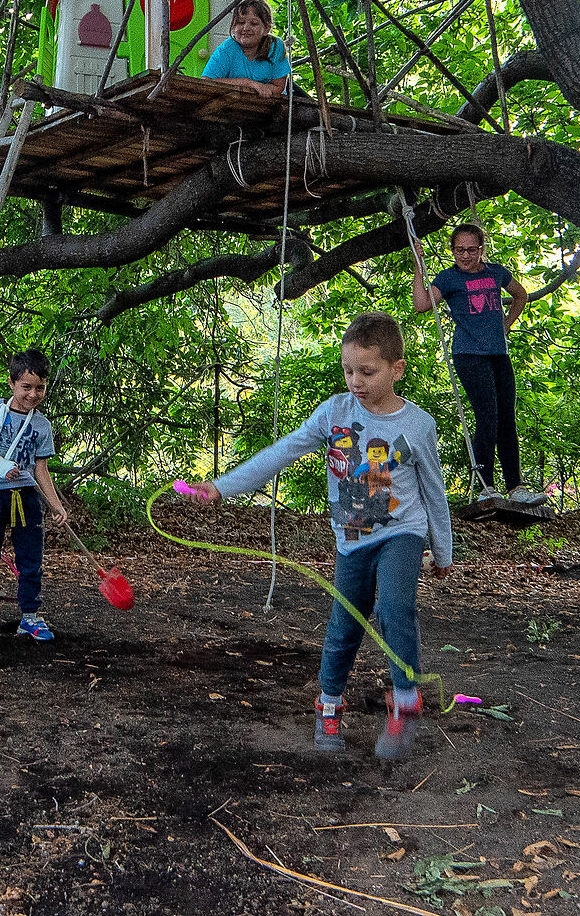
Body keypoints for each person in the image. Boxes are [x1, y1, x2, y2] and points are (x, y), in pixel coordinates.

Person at [178, 311, 452, 759]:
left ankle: (405, 702)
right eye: (348, 370)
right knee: (344, 625)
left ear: (396, 368)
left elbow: (434, 491)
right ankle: (329, 707)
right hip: (351, 539)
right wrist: (221, 486)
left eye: (367, 371)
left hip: (403, 530)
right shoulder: (334, 413)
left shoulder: (417, 424)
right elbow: (281, 453)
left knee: (395, 606)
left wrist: (442, 549)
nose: (355, 381)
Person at [410, 220, 537, 505]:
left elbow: (521, 294)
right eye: (458, 250)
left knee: (506, 417)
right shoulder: (449, 278)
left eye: (470, 250)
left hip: (498, 353)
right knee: (488, 416)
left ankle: (516, 487)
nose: (464, 255)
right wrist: (419, 265)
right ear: (452, 251)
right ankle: (486, 486)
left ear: (481, 250)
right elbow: (421, 304)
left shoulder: (496, 272)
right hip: (469, 354)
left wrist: (506, 325)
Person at [0, 349, 66, 640]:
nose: (33, 394)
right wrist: (0, 466)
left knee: (31, 558)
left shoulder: (42, 425)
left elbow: (41, 468)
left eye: (40, 388)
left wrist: (56, 505)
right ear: (12, 383)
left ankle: (30, 616)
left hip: (27, 497)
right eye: (26, 387)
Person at [198, 0, 292, 97]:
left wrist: (259, 88)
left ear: (266, 29)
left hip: (270, 105)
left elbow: (279, 87)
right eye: (241, 22)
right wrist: (248, 83)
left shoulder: (275, 47)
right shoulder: (227, 48)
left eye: (254, 23)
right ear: (233, 27)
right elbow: (207, 81)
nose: (246, 28)